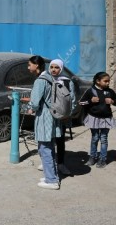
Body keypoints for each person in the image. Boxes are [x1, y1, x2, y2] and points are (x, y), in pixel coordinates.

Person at [28, 59, 75, 190]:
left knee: (45, 148)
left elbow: (35, 102)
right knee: (49, 147)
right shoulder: (50, 78)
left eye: (29, 64)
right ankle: (51, 175)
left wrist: (30, 107)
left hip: (45, 118)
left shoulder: (40, 80)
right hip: (54, 117)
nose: (28, 67)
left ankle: (52, 180)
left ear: (36, 65)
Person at [79, 72, 116, 168]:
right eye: (106, 81)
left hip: (106, 119)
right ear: (98, 81)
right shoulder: (90, 91)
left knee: (104, 139)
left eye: (109, 81)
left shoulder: (110, 92)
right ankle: (92, 158)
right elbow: (81, 102)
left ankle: (103, 159)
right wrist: (90, 101)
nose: (108, 83)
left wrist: (112, 101)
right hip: (94, 119)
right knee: (95, 138)